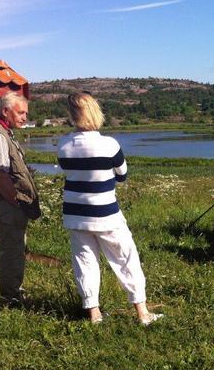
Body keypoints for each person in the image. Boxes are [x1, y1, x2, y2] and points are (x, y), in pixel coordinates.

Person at [57, 92, 163, 326]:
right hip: (106, 214)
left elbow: (68, 169)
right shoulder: (109, 144)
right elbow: (122, 175)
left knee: (84, 262)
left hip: (75, 214)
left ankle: (94, 314)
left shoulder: (63, 145)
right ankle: (142, 313)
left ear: (73, 115)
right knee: (126, 258)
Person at [0, 91, 40, 304]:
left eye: (26, 113)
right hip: (5, 205)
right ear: (6, 111)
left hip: (7, 204)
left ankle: (14, 292)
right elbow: (0, 173)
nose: (25, 117)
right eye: (20, 112)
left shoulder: (3, 132)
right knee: (12, 251)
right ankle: (11, 297)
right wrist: (15, 201)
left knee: (15, 248)